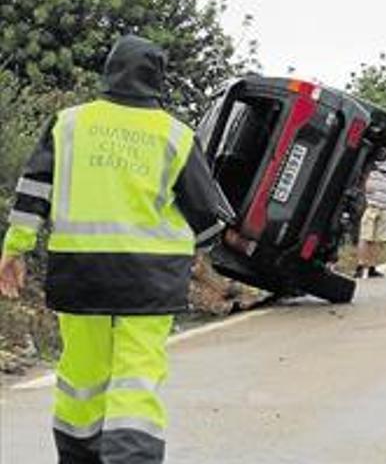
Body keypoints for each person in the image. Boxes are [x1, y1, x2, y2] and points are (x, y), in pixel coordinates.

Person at [0, 35, 229, 463]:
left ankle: (78, 457)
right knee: (136, 379)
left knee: (80, 378)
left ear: (109, 71)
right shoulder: (175, 136)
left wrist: (15, 248)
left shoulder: (68, 123)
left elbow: (33, 191)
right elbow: (205, 215)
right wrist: (207, 250)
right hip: (151, 281)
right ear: (158, 79)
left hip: (80, 275)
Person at [354, 150, 386, 279]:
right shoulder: (369, 163)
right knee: (366, 237)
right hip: (371, 205)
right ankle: (360, 265)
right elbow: (360, 177)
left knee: (379, 239)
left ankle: (372, 267)